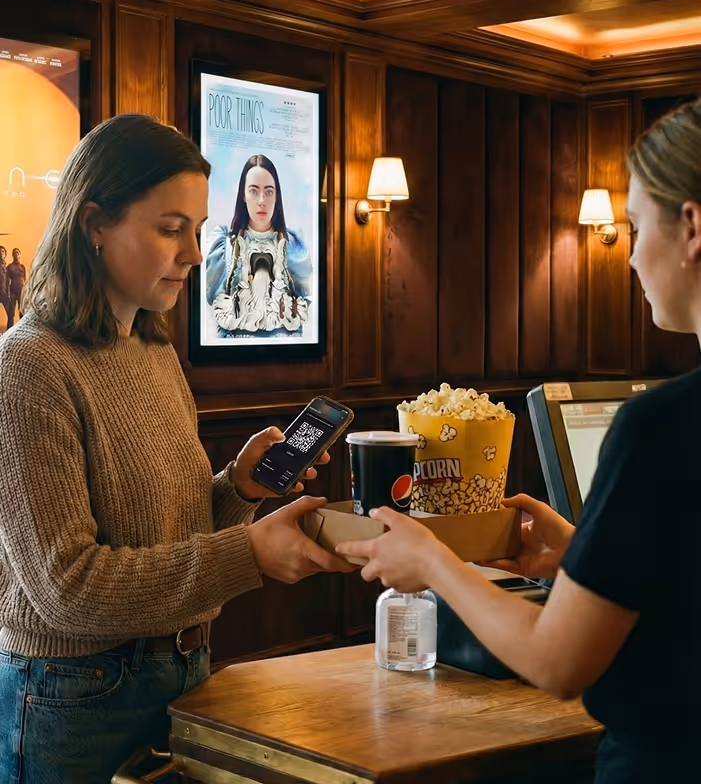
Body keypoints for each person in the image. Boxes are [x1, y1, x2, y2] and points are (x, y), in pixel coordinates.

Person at [338, 99, 701, 783]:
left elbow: (555, 662)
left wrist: (435, 561)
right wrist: (583, 559)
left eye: (630, 226)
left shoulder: (661, 426)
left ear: (690, 227)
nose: (627, 257)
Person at [0, 114, 352, 784]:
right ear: (94, 223)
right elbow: (67, 589)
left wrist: (236, 489)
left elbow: (166, 533)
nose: (194, 252)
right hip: (73, 696)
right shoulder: (29, 365)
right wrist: (245, 554)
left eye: (196, 229)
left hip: (184, 669)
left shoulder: (152, 347)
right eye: (170, 229)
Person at [206, 154, 312, 336]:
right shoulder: (223, 245)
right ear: (243, 195)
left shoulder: (294, 246)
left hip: (288, 356)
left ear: (277, 196)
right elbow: (215, 302)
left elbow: (304, 299)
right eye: (254, 191)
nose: (261, 200)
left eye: (269, 191)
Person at [5, 246, 26, 328]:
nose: (16, 254)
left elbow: (25, 280)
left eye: (17, 253)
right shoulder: (9, 267)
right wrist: (8, 293)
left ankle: (23, 328)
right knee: (11, 313)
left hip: (21, 291)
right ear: (12, 255)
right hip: (12, 291)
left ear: (19, 255)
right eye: (14, 253)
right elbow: (7, 281)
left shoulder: (22, 267)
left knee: (21, 311)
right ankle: (9, 330)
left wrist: (25, 292)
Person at [0, 245, 9, 330]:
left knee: (10, 313)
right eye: (0, 251)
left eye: (3, 251)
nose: (1, 253)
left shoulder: (6, 265)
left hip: (4, 293)